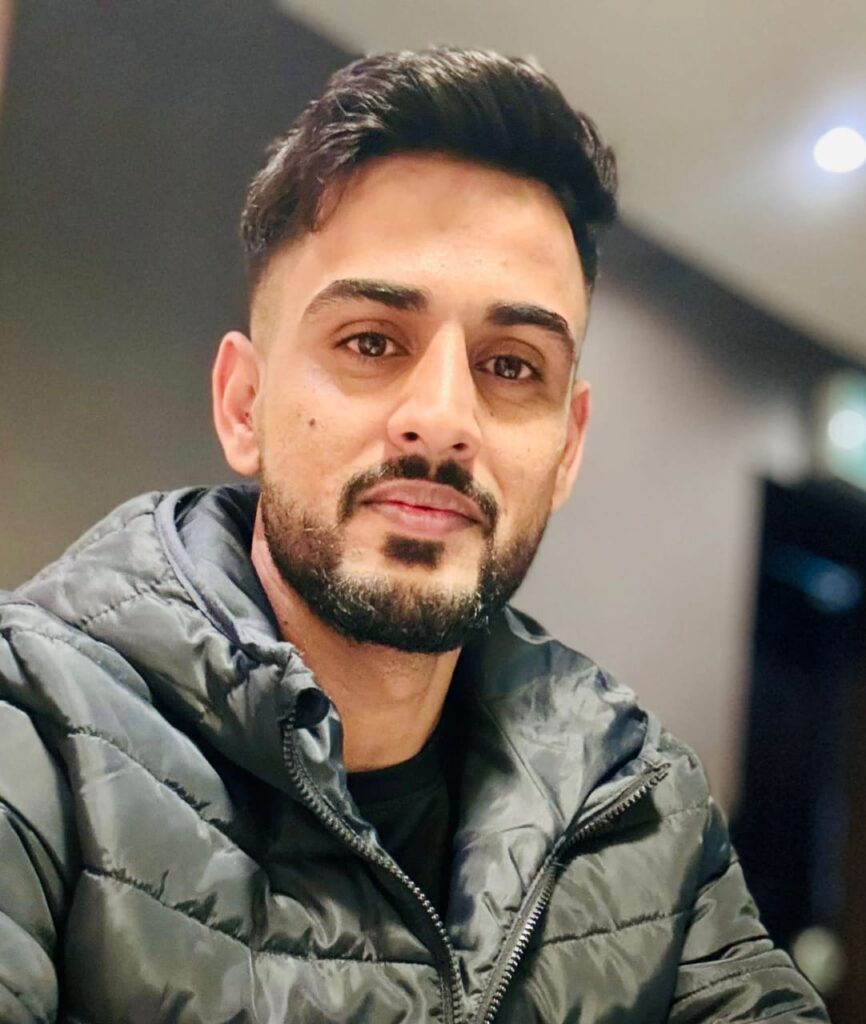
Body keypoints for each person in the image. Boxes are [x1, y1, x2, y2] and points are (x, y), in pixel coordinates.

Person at [0, 46, 828, 1024]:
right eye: (371, 342)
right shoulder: (32, 730)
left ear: (567, 448)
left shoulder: (643, 811)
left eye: (510, 365)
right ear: (243, 403)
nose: (441, 420)